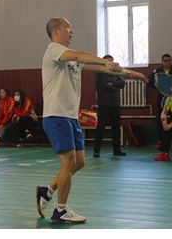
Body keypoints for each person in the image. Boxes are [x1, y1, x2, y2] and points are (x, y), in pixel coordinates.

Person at [36, 17, 145, 223]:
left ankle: (47, 191)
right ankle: (60, 210)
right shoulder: (54, 50)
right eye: (68, 27)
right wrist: (106, 61)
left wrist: (130, 73)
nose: (71, 31)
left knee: (78, 163)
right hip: (56, 115)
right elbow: (80, 55)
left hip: (71, 117)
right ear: (56, 30)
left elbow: (103, 69)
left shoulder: (72, 59)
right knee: (68, 162)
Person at [92, 55, 126, 158]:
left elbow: (123, 83)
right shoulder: (100, 73)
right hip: (103, 105)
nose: (111, 62)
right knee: (100, 127)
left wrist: (112, 84)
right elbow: (105, 86)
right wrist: (115, 86)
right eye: (109, 61)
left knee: (116, 128)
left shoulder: (116, 73)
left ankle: (117, 150)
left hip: (115, 104)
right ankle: (96, 151)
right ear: (104, 62)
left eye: (112, 61)